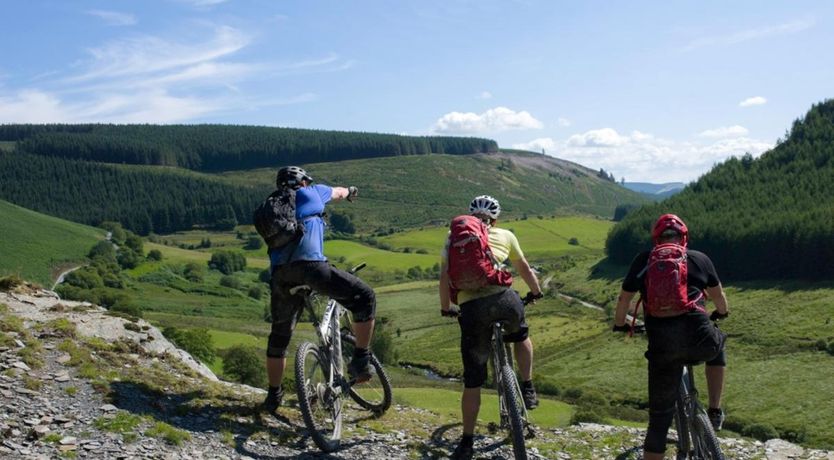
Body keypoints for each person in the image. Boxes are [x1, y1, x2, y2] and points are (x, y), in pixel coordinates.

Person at [612, 214, 729, 460]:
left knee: (659, 420)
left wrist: (621, 325)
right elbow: (720, 300)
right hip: (700, 338)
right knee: (717, 345)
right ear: (684, 237)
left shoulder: (644, 260)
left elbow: (625, 299)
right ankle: (715, 410)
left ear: (656, 239)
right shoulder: (699, 258)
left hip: (662, 347)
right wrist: (720, 314)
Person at [262, 166, 375, 412]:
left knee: (279, 338)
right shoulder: (313, 192)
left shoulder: (272, 207)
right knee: (365, 297)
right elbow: (338, 192)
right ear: (302, 182)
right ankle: (361, 361)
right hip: (312, 268)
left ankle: (273, 396)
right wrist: (351, 191)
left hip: (281, 275)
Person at [439, 195, 543, 460]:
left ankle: (466, 442)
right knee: (521, 336)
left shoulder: (452, 240)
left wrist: (446, 308)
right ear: (495, 219)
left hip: (472, 310)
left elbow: (444, 278)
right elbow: (525, 269)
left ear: (471, 218)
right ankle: (528, 386)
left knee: (473, 380)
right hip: (505, 300)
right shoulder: (506, 235)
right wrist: (536, 292)